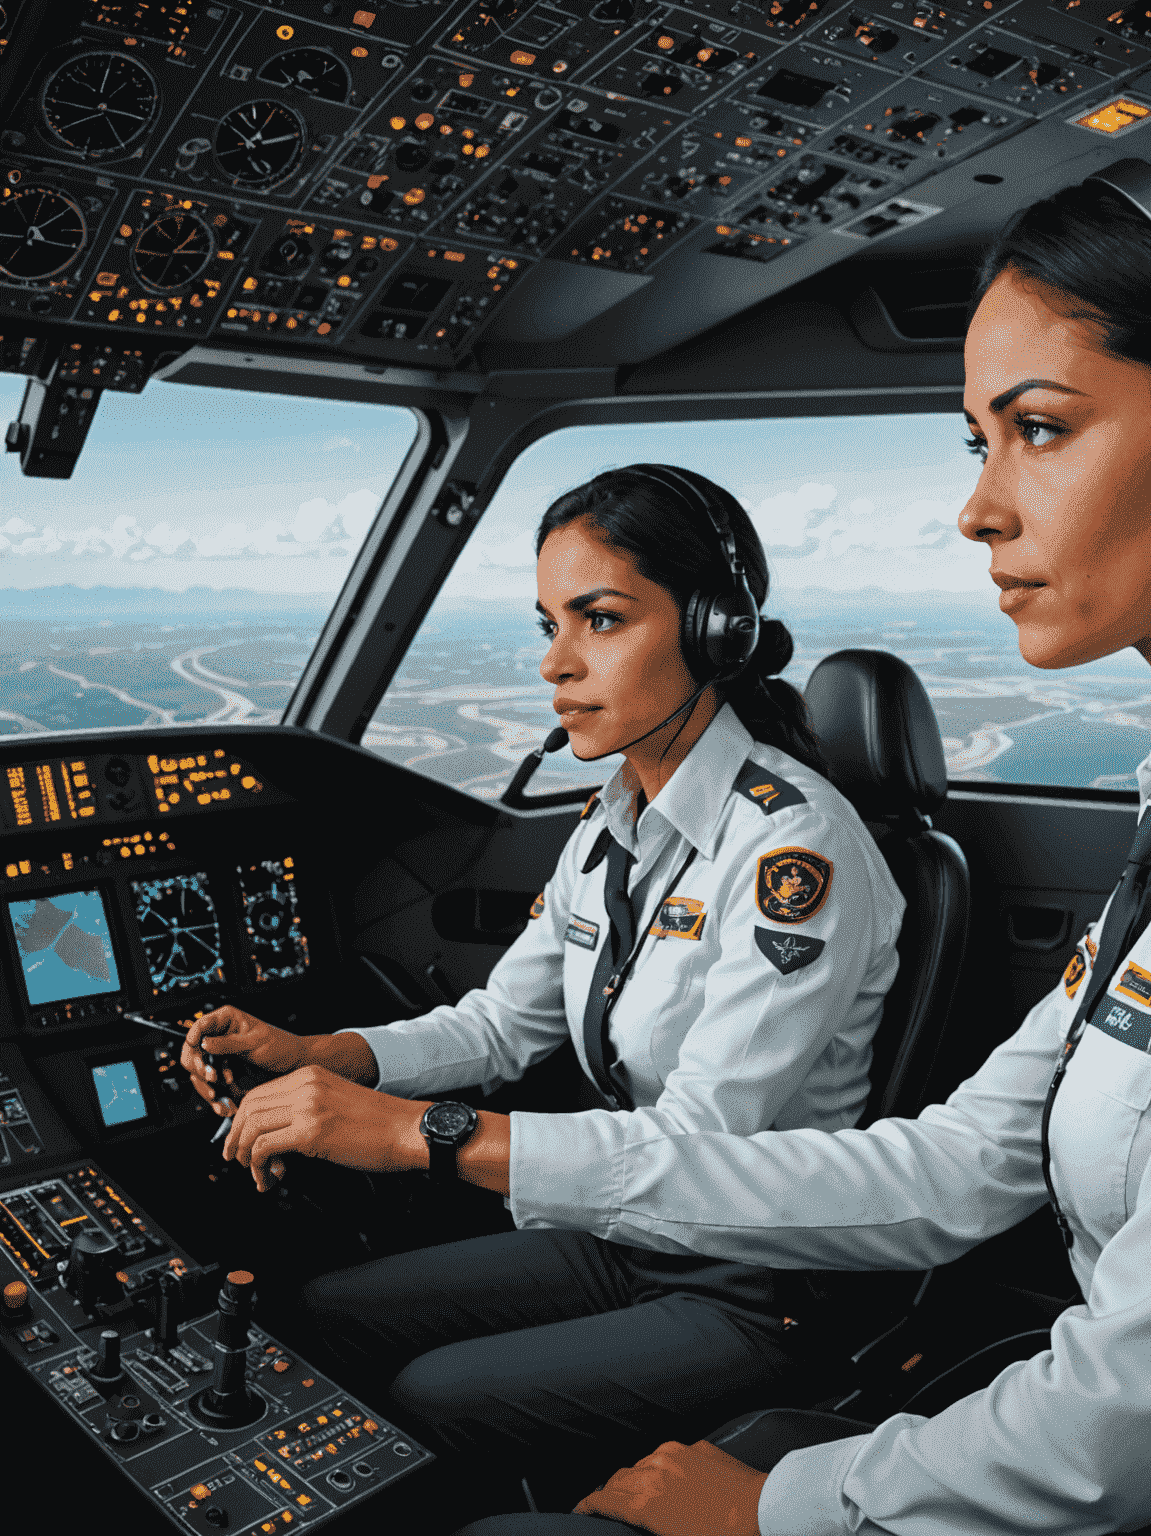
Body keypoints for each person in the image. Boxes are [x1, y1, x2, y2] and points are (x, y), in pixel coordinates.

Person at [400, 148, 1151, 1536]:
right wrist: (454, 1141)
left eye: (1040, 429)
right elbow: (947, 1169)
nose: (979, 506)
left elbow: (1140, 1409)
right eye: (977, 441)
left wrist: (777, 1505)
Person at [180, 464, 905, 1508]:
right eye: (547, 625)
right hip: (634, 1234)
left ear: (714, 634)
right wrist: (323, 1055)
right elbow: (502, 1025)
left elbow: (699, 1140)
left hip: (754, 1277)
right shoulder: (614, 820)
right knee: (319, 1311)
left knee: (433, 1393)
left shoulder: (797, 854)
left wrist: (404, 1133)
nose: (556, 664)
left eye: (600, 620)